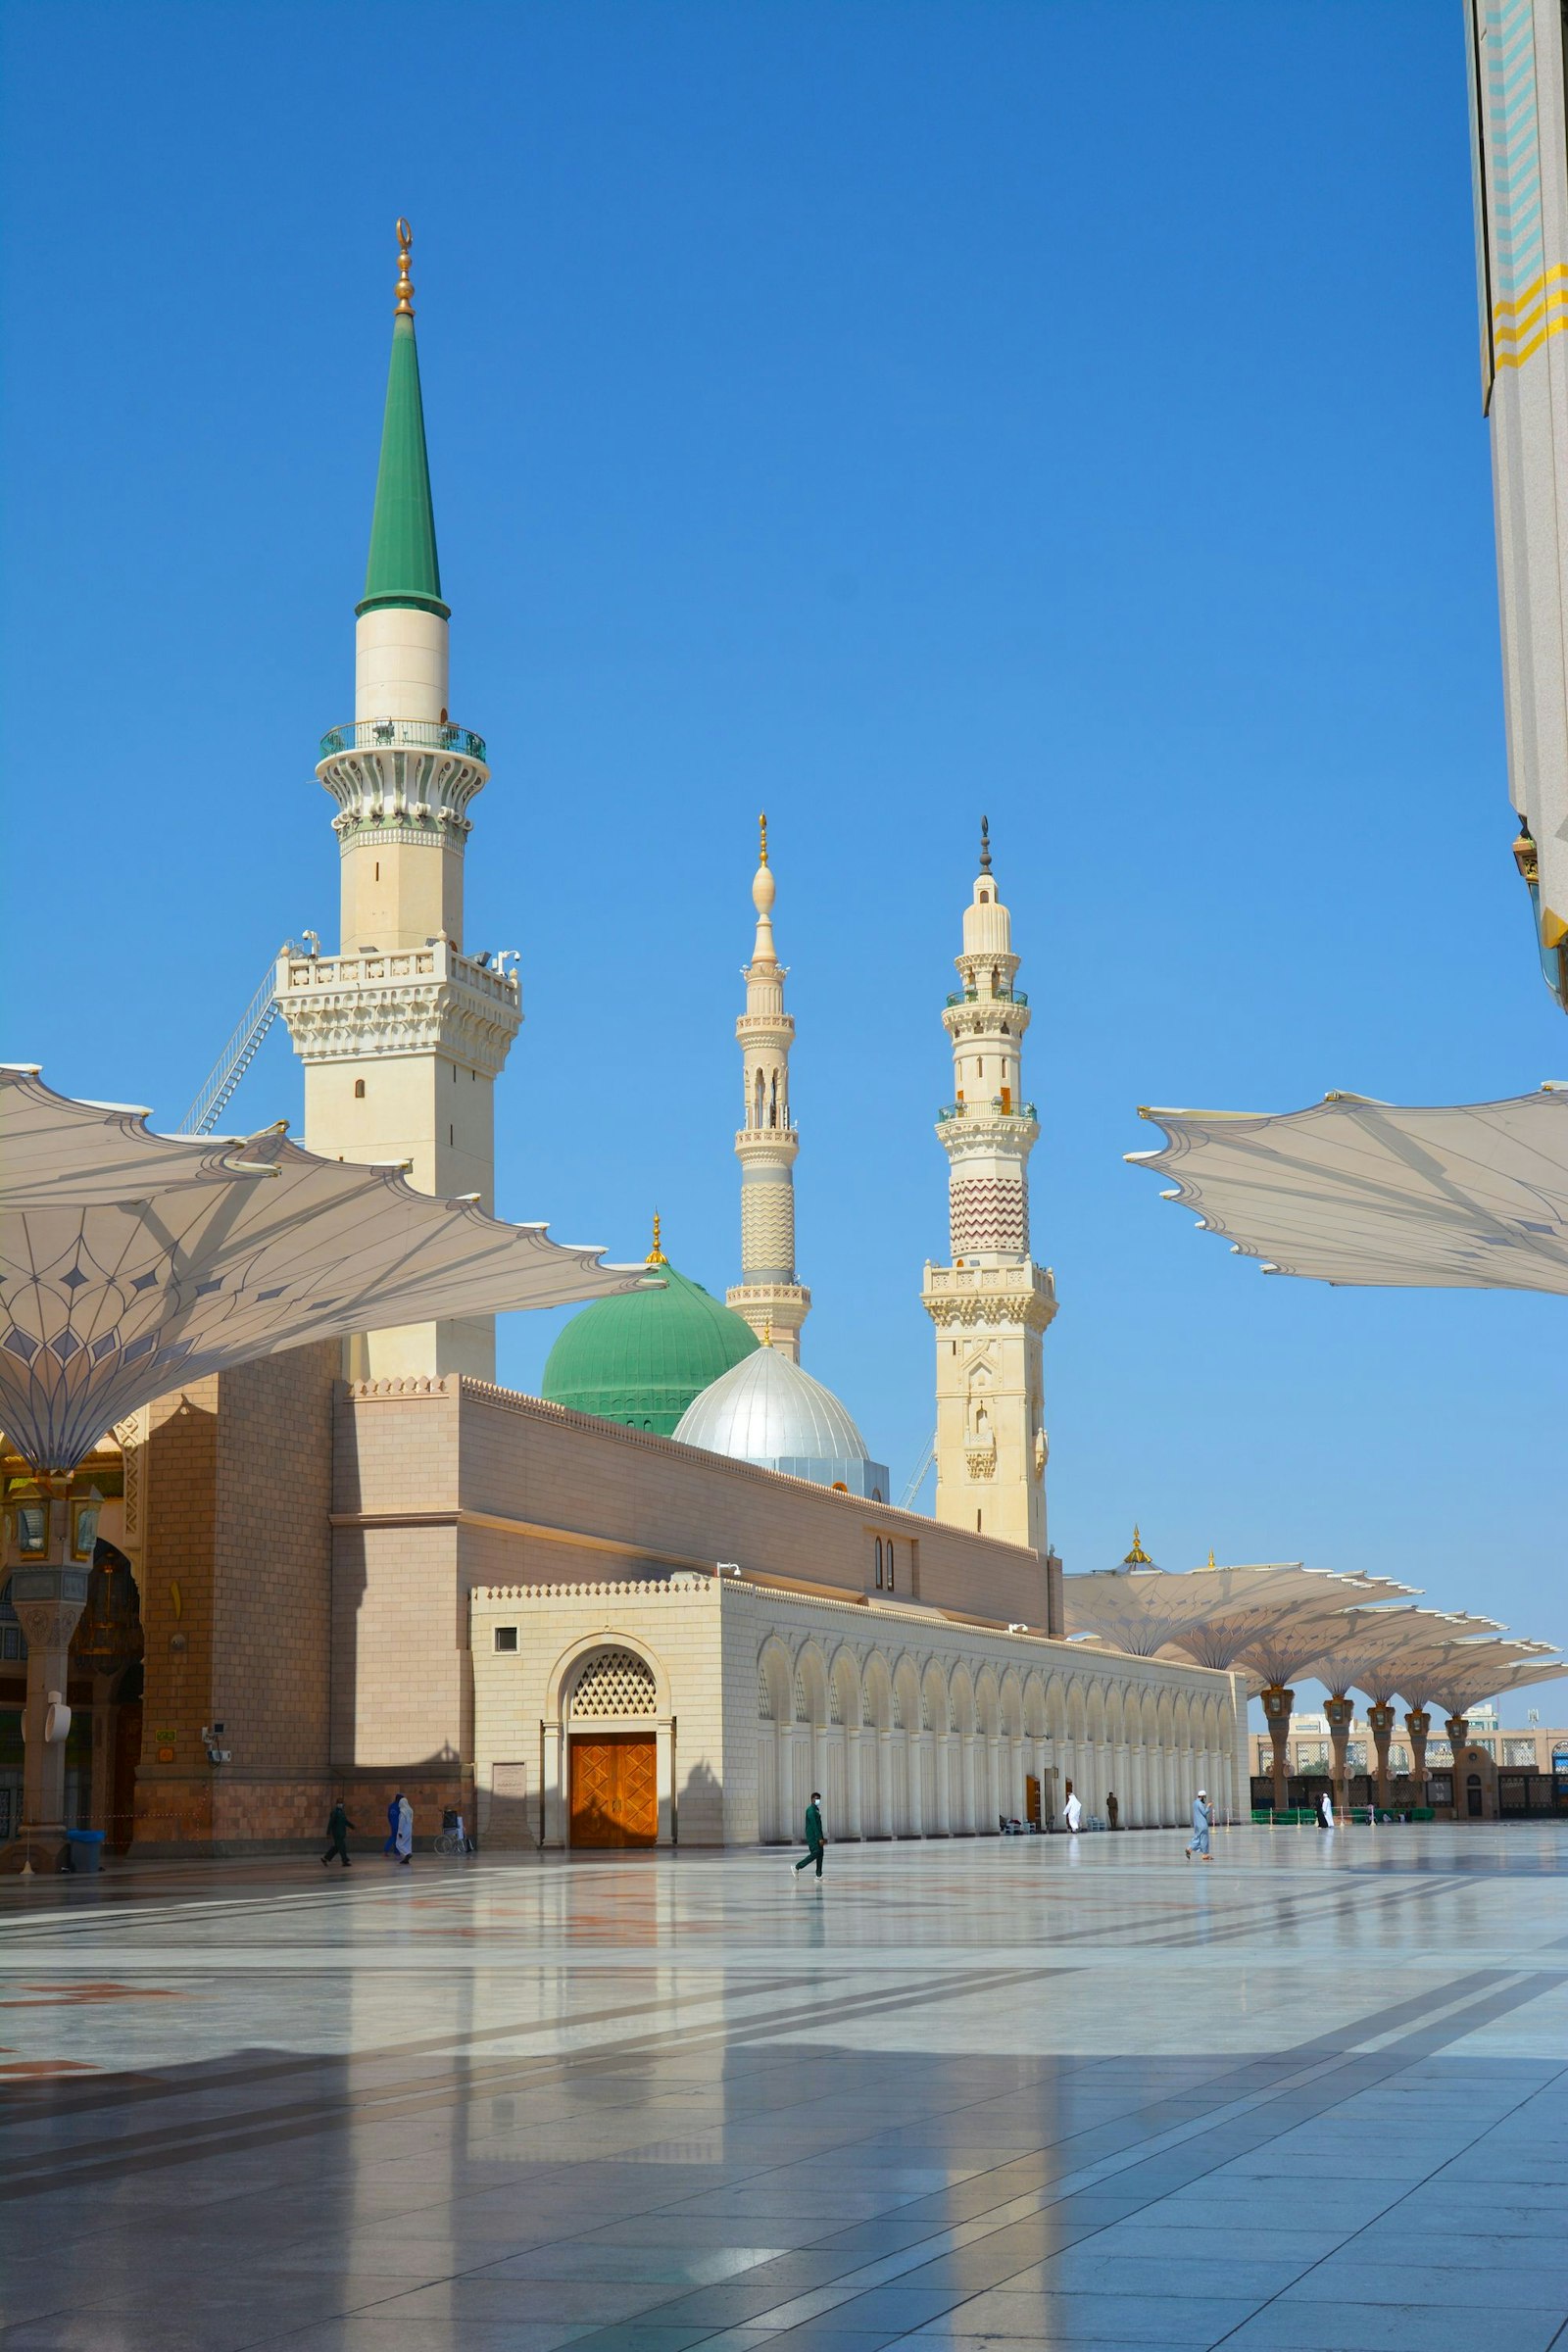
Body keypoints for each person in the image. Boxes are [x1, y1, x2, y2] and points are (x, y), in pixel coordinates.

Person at [793, 1790, 825, 1878]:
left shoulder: (816, 1810)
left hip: (818, 1836)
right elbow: (814, 1826)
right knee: (816, 1852)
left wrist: (822, 1837)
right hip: (813, 1837)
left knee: (820, 1853)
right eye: (816, 1799)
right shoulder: (811, 1810)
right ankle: (797, 1867)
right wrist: (819, 1838)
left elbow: (819, 1826)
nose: (818, 1801)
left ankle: (819, 1875)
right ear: (812, 1800)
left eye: (819, 1799)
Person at [321, 1798, 354, 1869]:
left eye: (341, 1803)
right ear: (336, 1804)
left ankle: (325, 1858)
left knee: (336, 1848)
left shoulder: (342, 1812)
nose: (340, 1804)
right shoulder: (335, 1812)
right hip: (337, 1834)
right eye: (339, 1803)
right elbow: (331, 1823)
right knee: (342, 1847)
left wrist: (352, 1826)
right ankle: (345, 1861)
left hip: (341, 1833)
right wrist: (328, 1832)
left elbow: (345, 1821)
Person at [1184, 1788, 1213, 1861]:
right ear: (1202, 1797)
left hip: (1197, 1824)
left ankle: (1189, 1849)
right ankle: (1205, 1854)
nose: (1205, 1799)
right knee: (1204, 1839)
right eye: (1204, 1797)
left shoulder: (1194, 1803)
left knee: (1197, 1839)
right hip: (1202, 1824)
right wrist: (1209, 1806)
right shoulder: (1200, 1804)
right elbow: (1204, 1813)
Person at [394, 1792, 414, 1866]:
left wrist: (400, 1832)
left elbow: (401, 1823)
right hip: (409, 1829)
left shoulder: (402, 1812)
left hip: (403, 1830)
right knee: (407, 1844)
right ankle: (406, 1859)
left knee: (398, 1844)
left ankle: (407, 1854)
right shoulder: (410, 1811)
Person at [382, 1793, 402, 1857]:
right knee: (395, 1837)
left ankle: (396, 1852)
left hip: (393, 1823)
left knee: (395, 1837)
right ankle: (389, 1850)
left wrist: (391, 1822)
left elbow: (388, 1815)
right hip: (397, 1824)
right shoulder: (399, 1806)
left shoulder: (391, 1806)